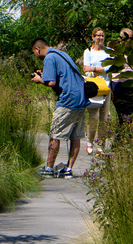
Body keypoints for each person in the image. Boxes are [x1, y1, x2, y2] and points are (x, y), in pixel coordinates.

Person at [30, 37, 89, 178]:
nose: (35, 55)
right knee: (75, 136)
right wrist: (45, 76)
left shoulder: (49, 58)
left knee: (55, 135)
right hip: (81, 98)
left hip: (67, 100)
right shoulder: (62, 54)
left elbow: (50, 83)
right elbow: (62, 77)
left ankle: (49, 169)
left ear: (37, 49)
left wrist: (39, 80)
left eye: (34, 52)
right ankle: (68, 169)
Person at [82, 28, 111, 154]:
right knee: (94, 116)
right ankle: (89, 141)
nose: (101, 38)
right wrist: (99, 69)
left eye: (103, 35)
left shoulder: (108, 52)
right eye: (98, 35)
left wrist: (93, 68)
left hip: (106, 86)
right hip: (94, 87)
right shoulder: (88, 52)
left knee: (104, 118)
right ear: (93, 37)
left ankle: (101, 144)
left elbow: (109, 68)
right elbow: (85, 69)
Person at [109, 27, 133, 128]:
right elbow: (109, 69)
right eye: (126, 38)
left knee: (130, 113)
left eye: (131, 38)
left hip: (131, 84)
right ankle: (120, 137)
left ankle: (126, 138)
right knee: (122, 113)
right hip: (118, 84)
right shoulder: (115, 51)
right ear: (121, 39)